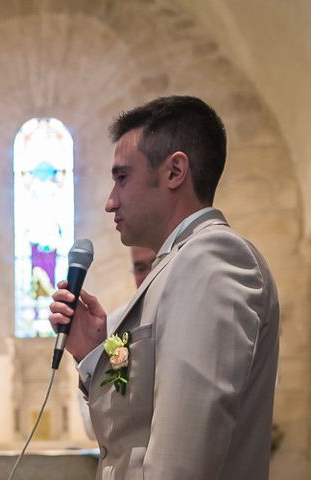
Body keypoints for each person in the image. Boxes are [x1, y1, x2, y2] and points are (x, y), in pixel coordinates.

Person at [49, 96, 279, 479]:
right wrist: (93, 355)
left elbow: (182, 459)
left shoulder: (211, 257)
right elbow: (135, 434)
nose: (110, 201)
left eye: (122, 178)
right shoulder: (178, 265)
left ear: (175, 172)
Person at [78, 247, 155, 441]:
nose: (149, 276)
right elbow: (91, 426)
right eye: (140, 268)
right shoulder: (114, 327)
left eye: (156, 265)